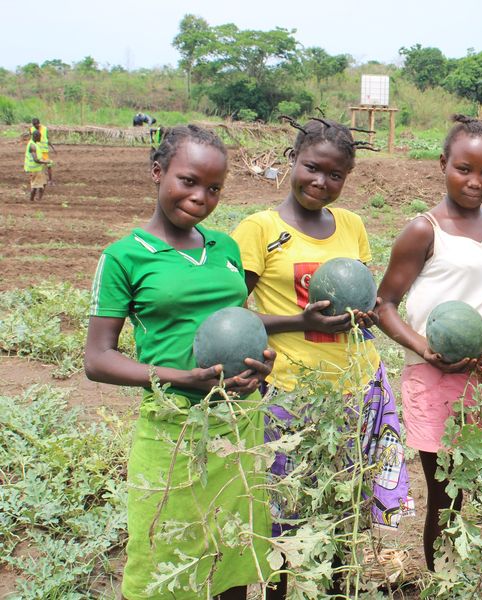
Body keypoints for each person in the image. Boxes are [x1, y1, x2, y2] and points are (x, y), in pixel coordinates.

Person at [84, 125, 274, 600]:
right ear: (157, 172)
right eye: (188, 181)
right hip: (172, 430)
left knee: (232, 556)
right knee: (160, 564)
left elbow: (238, 325)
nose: (200, 197)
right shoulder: (124, 257)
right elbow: (97, 359)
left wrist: (258, 365)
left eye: (213, 188)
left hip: (237, 427)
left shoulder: (225, 249)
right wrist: (178, 377)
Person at [230, 117, 411, 600]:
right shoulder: (259, 229)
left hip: (357, 386)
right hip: (292, 391)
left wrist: (367, 316)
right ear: (293, 160)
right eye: (312, 167)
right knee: (288, 510)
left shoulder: (351, 224)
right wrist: (300, 322)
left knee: (347, 504)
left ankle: (337, 589)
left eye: (336, 175)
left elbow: (363, 296)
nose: (321, 182)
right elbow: (235, 317)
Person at [376, 114, 482, 591]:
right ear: (443, 163)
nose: (476, 182)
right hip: (436, 379)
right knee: (448, 502)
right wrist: (424, 347)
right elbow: (384, 304)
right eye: (464, 169)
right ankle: (446, 586)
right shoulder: (423, 230)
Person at [24, 128, 50, 201]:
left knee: (43, 183)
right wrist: (46, 162)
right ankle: (31, 200)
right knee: (35, 187)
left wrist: (44, 160)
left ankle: (38, 199)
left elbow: (38, 157)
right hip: (34, 169)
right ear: (35, 136)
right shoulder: (32, 145)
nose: (40, 138)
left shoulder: (35, 143)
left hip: (38, 168)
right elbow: (35, 160)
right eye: (39, 136)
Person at [30, 118, 54, 184]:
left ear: (39, 123)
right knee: (35, 164)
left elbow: (47, 138)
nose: (35, 126)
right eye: (34, 125)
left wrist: (52, 147)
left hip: (44, 151)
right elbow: (31, 140)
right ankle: (35, 180)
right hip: (36, 150)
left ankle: (50, 180)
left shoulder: (45, 129)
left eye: (36, 124)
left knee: (49, 165)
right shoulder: (31, 129)